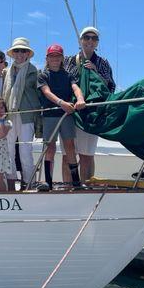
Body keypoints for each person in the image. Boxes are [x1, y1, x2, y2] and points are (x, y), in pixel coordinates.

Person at [64, 26, 116, 182]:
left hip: (91, 113)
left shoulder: (102, 63)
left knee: (87, 155)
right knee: (68, 155)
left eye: (94, 38)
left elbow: (110, 86)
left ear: (97, 43)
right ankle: (68, 187)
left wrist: (95, 72)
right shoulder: (69, 60)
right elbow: (63, 81)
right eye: (87, 37)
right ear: (80, 40)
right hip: (71, 111)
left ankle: (87, 186)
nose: (90, 41)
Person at [38, 44, 86, 189]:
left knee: (70, 147)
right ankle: (48, 182)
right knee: (50, 147)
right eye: (52, 56)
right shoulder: (43, 75)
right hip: (50, 115)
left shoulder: (68, 75)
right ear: (47, 59)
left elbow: (76, 88)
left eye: (57, 56)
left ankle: (76, 182)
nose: (55, 59)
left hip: (66, 115)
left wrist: (80, 99)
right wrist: (61, 103)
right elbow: (46, 92)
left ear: (62, 58)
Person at [2, 37, 40, 191]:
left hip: (26, 114)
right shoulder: (7, 71)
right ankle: (10, 183)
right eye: (16, 50)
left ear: (27, 54)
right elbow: (5, 93)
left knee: (25, 151)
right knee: (9, 149)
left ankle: (28, 183)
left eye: (22, 50)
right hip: (10, 114)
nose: (19, 53)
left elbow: (37, 94)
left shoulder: (33, 70)